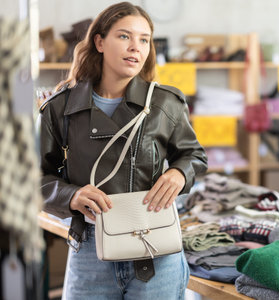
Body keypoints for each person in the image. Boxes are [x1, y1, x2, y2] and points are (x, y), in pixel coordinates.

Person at [39, 2, 207, 299]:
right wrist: (72, 195)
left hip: (156, 251)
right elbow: (34, 178)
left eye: (144, 39)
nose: (136, 47)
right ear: (100, 42)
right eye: (124, 36)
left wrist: (180, 174)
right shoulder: (59, 108)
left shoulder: (165, 103)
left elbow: (194, 155)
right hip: (89, 249)